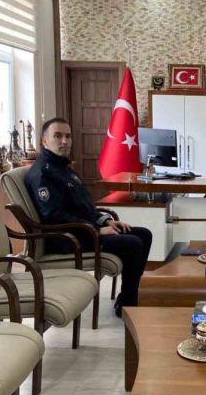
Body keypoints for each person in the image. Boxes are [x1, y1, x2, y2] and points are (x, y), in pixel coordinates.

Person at [25, 117, 152, 318]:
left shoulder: (64, 169)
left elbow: (84, 207)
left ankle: (129, 293)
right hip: (68, 239)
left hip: (84, 230)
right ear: (44, 141)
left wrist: (106, 221)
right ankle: (128, 303)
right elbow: (55, 216)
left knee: (144, 234)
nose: (64, 141)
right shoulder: (43, 173)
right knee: (133, 243)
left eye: (68, 136)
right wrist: (97, 230)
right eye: (57, 136)